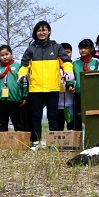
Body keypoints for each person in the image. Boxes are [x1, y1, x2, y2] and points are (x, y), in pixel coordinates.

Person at [17, 21, 74, 150]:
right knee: (35, 116)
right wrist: (21, 74)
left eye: (44, 30)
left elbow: (66, 62)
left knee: (52, 116)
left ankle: (53, 143)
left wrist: (68, 71)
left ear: (49, 31)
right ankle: (35, 142)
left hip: (52, 87)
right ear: (35, 33)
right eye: (39, 30)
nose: (42, 33)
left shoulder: (56, 47)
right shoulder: (31, 49)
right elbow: (24, 65)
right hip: (35, 88)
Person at [0, 45, 27, 132]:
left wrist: (25, 96)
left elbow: (24, 82)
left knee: (18, 122)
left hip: (15, 99)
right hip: (0, 100)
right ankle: (2, 143)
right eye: (2, 55)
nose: (5, 57)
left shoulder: (18, 67)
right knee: (1, 123)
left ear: (11, 54)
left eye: (7, 54)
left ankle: (20, 143)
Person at [69, 39, 99, 131]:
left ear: (91, 49)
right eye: (81, 48)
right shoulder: (75, 62)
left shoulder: (97, 62)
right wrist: (70, 86)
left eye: (85, 48)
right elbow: (71, 76)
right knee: (78, 118)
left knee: (92, 117)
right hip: (78, 94)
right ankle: (78, 142)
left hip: (92, 94)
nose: (82, 50)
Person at [57, 43, 74, 131]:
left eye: (68, 52)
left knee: (71, 126)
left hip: (70, 103)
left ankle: (72, 144)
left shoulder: (73, 66)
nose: (66, 55)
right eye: (63, 52)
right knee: (58, 127)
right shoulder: (55, 68)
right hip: (57, 104)